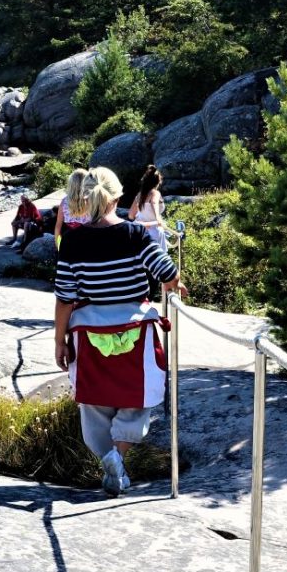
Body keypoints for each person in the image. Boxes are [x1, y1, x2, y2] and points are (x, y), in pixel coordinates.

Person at [54, 167, 186, 498]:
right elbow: (167, 271)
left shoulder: (72, 241)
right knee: (138, 398)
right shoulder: (136, 235)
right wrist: (173, 286)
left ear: (85, 198)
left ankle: (108, 459)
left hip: (89, 335)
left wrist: (60, 341)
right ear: (116, 197)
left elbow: (65, 298)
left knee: (94, 402)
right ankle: (118, 456)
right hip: (135, 332)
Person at [130, 165, 168, 250]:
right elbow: (154, 202)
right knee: (158, 260)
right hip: (154, 231)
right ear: (158, 182)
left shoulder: (140, 195)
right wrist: (158, 219)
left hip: (140, 231)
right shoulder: (155, 193)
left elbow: (131, 215)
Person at [55, 168, 91, 247]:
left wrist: (58, 247)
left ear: (71, 185)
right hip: (89, 242)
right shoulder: (93, 201)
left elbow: (58, 228)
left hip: (70, 243)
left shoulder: (64, 202)